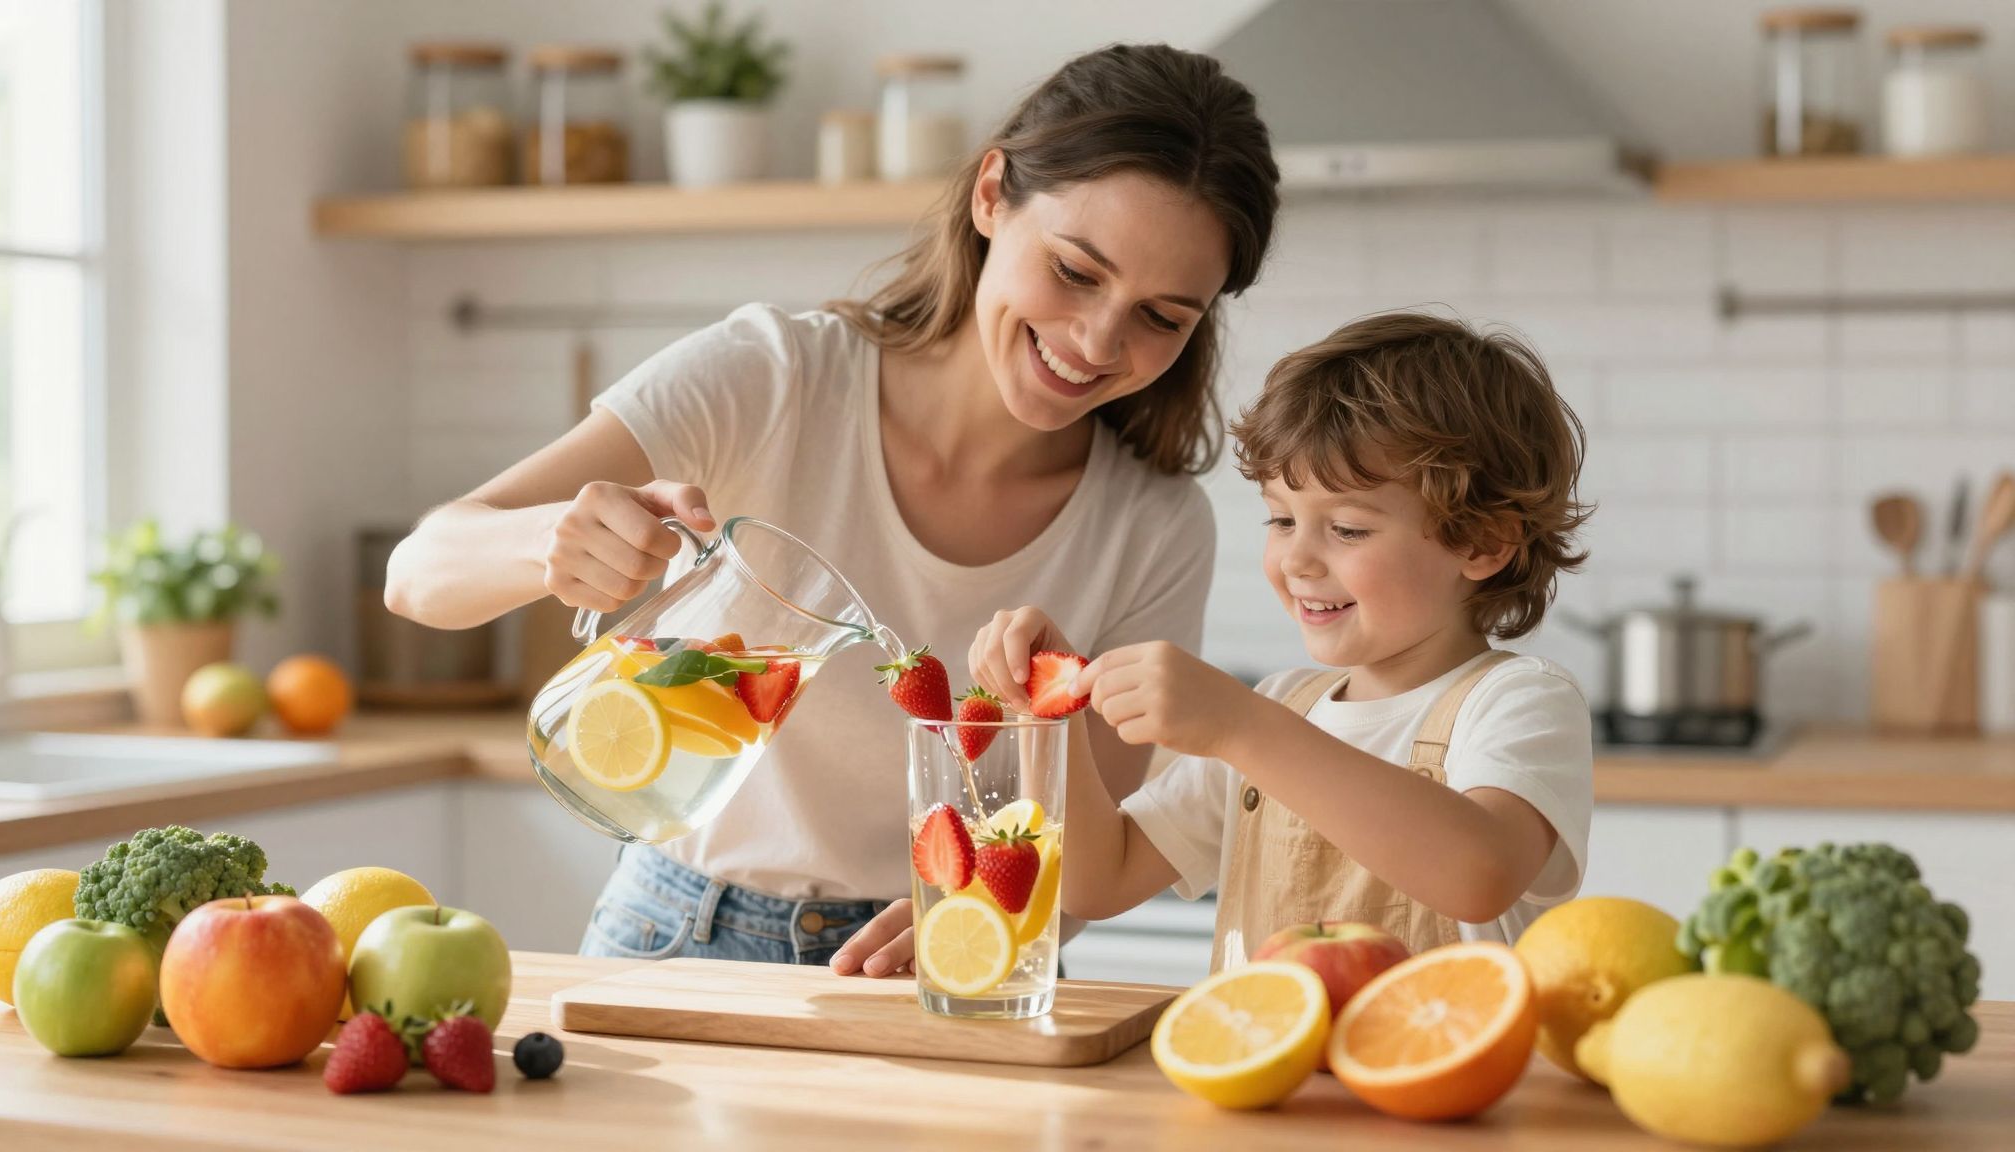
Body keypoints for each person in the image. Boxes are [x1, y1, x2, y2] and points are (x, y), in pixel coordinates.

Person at [383, 43, 1280, 970]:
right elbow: (417, 574)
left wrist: (988, 915)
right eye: (1076, 272)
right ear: (991, 196)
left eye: (1161, 317)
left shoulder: (1154, 527)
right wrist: (549, 539)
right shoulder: (773, 378)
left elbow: (1078, 852)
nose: (1097, 340)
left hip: (942, 958)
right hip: (680, 935)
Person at [969, 312, 1594, 971]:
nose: (1297, 560)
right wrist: (1049, 715)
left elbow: (1478, 876)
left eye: (1347, 529)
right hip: (1260, 1040)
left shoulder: (1518, 701)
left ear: (1483, 543)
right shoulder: (1281, 707)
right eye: (1282, 520)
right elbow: (1099, 881)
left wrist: (1240, 726)